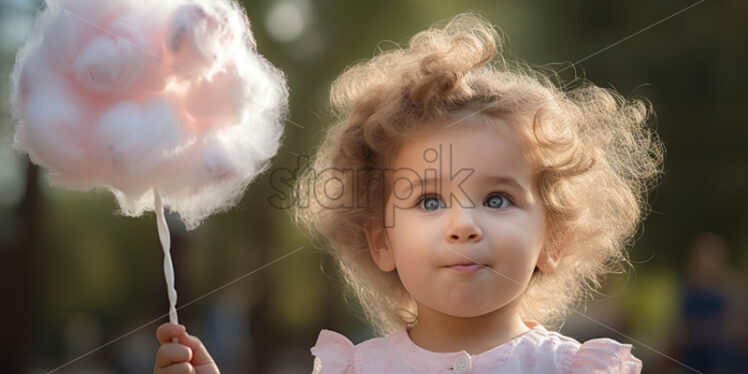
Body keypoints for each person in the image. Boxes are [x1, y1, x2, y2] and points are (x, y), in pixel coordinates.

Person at [154, 13, 664, 373]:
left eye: (497, 199)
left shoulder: (576, 369)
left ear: (553, 237)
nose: (463, 224)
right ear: (381, 242)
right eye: (429, 201)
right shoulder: (353, 369)